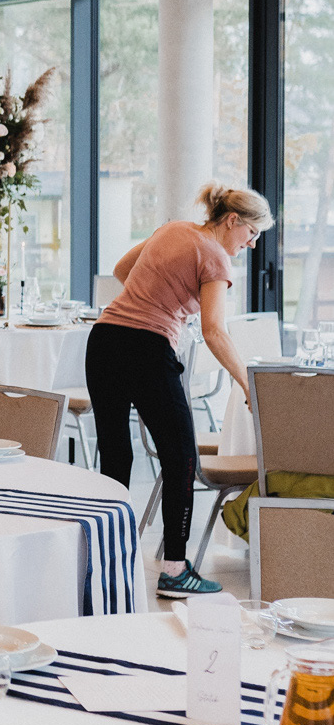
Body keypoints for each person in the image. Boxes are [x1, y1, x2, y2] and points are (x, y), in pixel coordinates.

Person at [85, 180, 273, 599]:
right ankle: (175, 570)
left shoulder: (172, 229)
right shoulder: (216, 258)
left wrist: (161, 298)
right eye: (252, 232)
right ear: (232, 220)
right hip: (147, 349)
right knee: (182, 458)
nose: (252, 243)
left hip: (104, 340)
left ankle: (106, 556)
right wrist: (248, 384)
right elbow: (215, 331)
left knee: (116, 453)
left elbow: (122, 269)